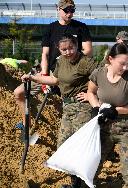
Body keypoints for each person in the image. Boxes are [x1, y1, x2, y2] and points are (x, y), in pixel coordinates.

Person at [21, 34, 98, 188]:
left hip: (83, 108)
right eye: (64, 49)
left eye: (71, 48)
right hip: (67, 107)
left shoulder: (86, 62)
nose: (68, 52)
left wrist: (92, 94)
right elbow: (55, 80)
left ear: (77, 45)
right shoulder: (61, 61)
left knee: (80, 146)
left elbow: (102, 78)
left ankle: (82, 183)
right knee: (63, 145)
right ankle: (74, 181)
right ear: (59, 49)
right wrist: (33, 78)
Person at [14, 0, 93, 129]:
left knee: (70, 105)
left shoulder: (81, 27)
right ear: (58, 9)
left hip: (71, 73)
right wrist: (44, 77)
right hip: (50, 72)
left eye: (72, 10)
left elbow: (88, 50)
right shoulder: (51, 28)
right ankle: (26, 124)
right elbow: (45, 54)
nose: (69, 13)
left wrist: (69, 59)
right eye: (66, 10)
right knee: (19, 93)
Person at [87, 43, 128, 187]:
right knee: (93, 164)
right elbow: (91, 92)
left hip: (126, 128)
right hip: (104, 126)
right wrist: (95, 107)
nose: (125, 68)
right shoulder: (98, 74)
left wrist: (116, 110)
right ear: (110, 59)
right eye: (122, 63)